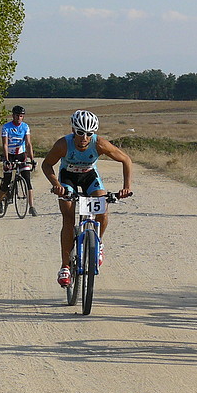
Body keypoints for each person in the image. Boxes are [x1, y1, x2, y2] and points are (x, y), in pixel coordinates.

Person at [41, 110, 133, 287]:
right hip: (68, 178)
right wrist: (56, 184)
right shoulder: (63, 144)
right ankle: (65, 267)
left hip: (90, 176)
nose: (84, 137)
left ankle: (97, 244)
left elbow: (126, 160)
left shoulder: (99, 144)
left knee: (103, 208)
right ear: (73, 130)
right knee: (68, 218)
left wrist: (126, 187)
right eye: (80, 132)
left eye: (89, 134)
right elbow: (47, 164)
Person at [0, 105, 38, 216]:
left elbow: (28, 144)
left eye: (21, 116)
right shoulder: (6, 127)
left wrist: (32, 159)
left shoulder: (25, 127)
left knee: (28, 180)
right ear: (13, 116)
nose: (19, 118)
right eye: (17, 116)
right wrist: (6, 159)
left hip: (21, 155)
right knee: (6, 179)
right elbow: (5, 144)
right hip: (9, 155)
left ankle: (32, 207)